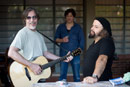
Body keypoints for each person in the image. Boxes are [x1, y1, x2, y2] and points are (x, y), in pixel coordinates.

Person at [8, 7, 73, 77]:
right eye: (28, 18)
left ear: (37, 19)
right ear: (25, 20)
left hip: (39, 73)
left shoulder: (39, 35)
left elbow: (46, 53)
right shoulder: (23, 33)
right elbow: (11, 53)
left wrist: (62, 58)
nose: (32, 20)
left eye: (34, 17)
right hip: (26, 74)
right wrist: (31, 65)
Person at [55, 8, 85, 82]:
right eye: (67, 16)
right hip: (63, 54)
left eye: (71, 16)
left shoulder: (78, 28)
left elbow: (82, 44)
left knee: (77, 76)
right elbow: (55, 39)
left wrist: (75, 53)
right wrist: (62, 40)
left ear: (73, 17)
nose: (69, 17)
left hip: (75, 54)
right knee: (62, 76)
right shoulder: (60, 27)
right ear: (65, 17)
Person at [82, 17, 115, 84]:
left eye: (96, 27)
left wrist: (94, 77)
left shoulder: (106, 41)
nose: (92, 28)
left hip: (101, 83)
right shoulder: (94, 43)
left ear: (104, 30)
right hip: (91, 83)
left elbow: (102, 59)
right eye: (92, 26)